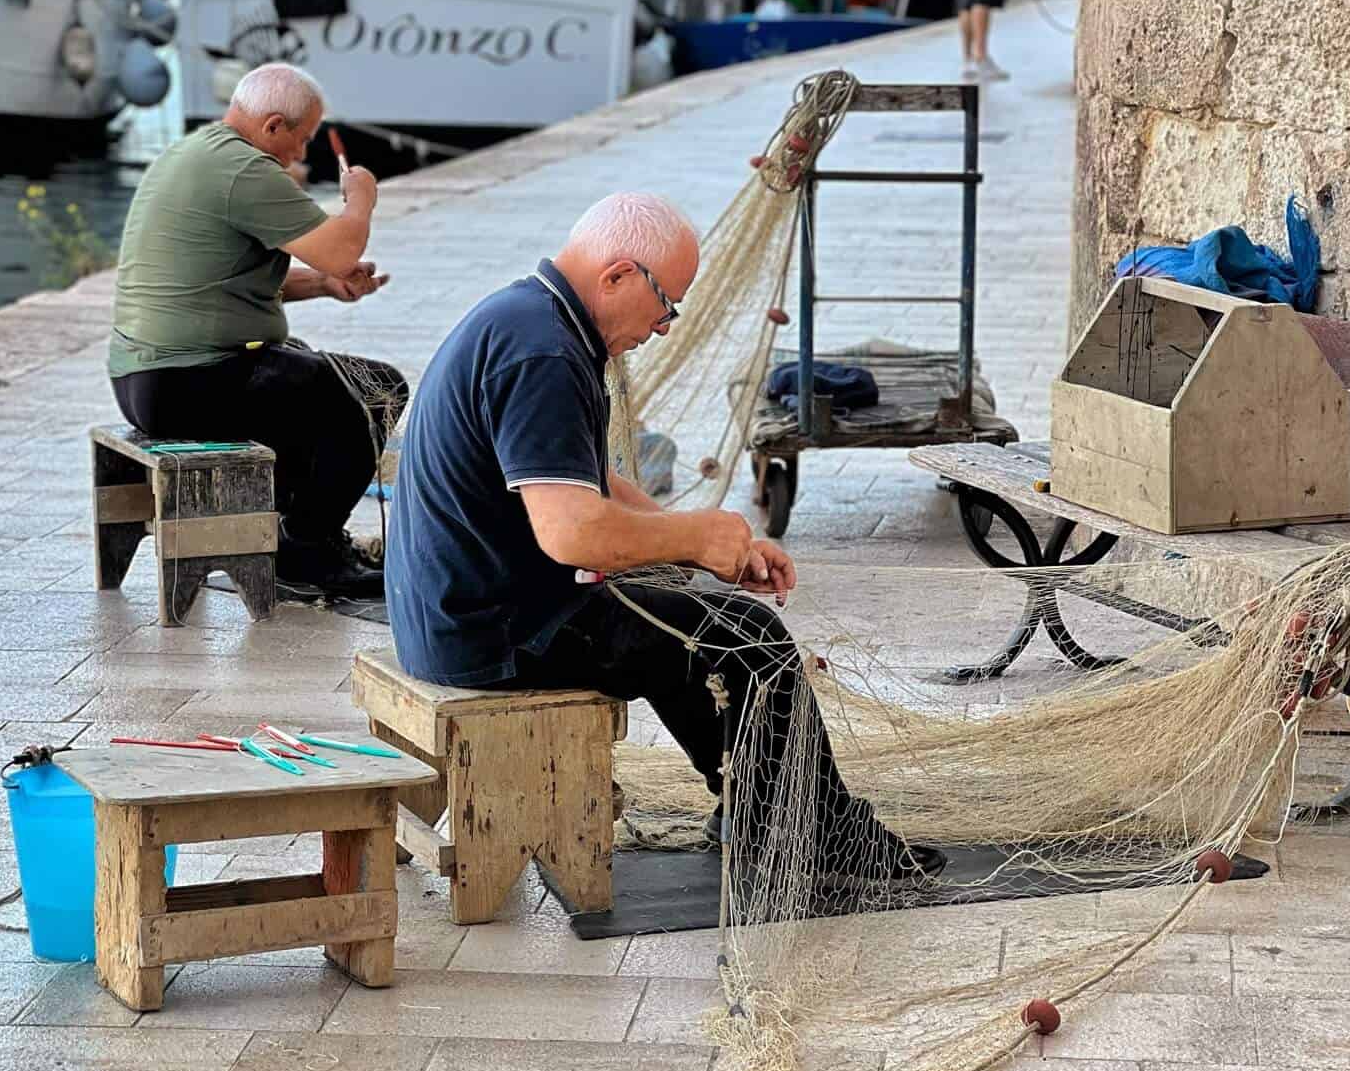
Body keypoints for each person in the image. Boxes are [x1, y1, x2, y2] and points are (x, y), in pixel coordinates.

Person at [385, 191, 941, 909]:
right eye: (666, 305)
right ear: (618, 275)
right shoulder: (544, 349)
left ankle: (753, 809)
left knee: (691, 614)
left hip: (461, 610)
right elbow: (573, 532)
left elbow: (594, 481)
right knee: (747, 634)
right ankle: (811, 832)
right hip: (489, 633)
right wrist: (693, 538)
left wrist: (704, 550)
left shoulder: (533, 318)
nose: (665, 327)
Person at [107, 61, 404, 601]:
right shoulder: (245, 169)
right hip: (190, 377)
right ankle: (307, 553)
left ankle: (289, 539)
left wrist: (322, 285)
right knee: (373, 389)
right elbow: (342, 246)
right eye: (301, 139)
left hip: (147, 377)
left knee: (307, 374)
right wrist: (360, 198)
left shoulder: (194, 152)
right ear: (272, 126)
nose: (300, 154)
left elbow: (219, 282)